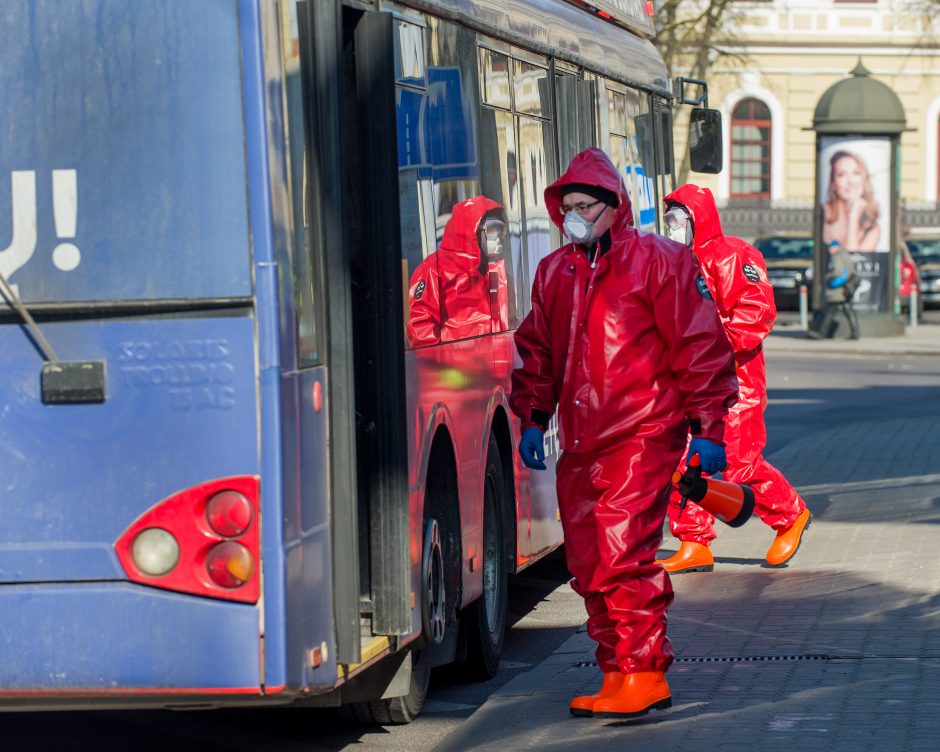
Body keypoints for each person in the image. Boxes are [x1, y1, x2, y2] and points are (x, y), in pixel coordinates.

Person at [510, 148, 738, 719]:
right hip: (582, 439)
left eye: (585, 206)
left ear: (614, 206)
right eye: (567, 208)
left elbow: (700, 346)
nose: (575, 217)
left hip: (642, 433)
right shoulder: (556, 271)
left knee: (621, 557)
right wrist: (534, 416)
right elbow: (537, 350)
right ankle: (618, 670)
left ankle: (643, 673)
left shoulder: (661, 262)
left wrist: (709, 428)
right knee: (588, 563)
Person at [654, 185, 812, 576]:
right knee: (682, 461)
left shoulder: (735, 255)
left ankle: (790, 514)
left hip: (736, 381)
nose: (672, 228)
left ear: (695, 218)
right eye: (669, 220)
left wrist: (712, 343)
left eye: (677, 220)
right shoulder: (674, 262)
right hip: (691, 381)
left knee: (740, 464)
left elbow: (758, 311)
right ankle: (693, 541)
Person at [406, 196, 510, 347]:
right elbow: (422, 328)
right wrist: (441, 366)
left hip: (497, 363)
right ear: (471, 230)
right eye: (493, 230)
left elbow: (510, 320)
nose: (499, 237)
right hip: (453, 366)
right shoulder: (433, 269)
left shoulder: (499, 272)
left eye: (502, 231)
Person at [822, 150, 881, 251]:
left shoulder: (872, 228)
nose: (851, 181)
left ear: (864, 179)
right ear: (833, 183)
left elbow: (854, 261)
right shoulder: (824, 214)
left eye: (856, 173)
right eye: (842, 175)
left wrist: (854, 216)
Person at [812, 239, 860, 340]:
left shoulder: (837, 257)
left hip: (838, 289)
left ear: (835, 247)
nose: (829, 250)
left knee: (830, 312)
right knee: (848, 310)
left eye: (830, 247)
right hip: (846, 288)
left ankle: (821, 333)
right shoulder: (846, 255)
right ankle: (855, 333)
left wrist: (829, 275)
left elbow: (838, 271)